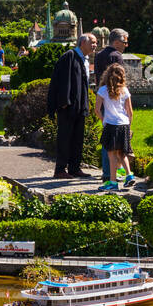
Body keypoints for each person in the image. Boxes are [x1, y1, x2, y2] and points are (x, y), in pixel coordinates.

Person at [47, 33, 94, 179]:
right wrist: (64, 103)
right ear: (82, 43)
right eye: (92, 42)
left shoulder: (84, 60)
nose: (95, 45)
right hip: (67, 107)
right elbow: (61, 80)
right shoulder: (70, 56)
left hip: (80, 107)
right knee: (65, 138)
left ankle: (75, 168)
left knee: (77, 139)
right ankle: (60, 170)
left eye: (96, 43)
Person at [93, 28, 128, 183]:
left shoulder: (99, 55)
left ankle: (107, 171)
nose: (126, 45)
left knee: (106, 136)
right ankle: (115, 172)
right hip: (116, 101)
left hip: (103, 98)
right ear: (116, 42)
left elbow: (97, 77)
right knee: (119, 139)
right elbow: (120, 79)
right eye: (125, 42)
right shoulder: (116, 56)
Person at [95, 62, 134, 189]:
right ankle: (129, 176)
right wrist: (129, 126)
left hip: (111, 125)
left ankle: (112, 182)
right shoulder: (125, 90)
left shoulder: (102, 90)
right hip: (124, 124)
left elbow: (97, 109)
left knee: (111, 155)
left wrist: (103, 120)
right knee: (122, 153)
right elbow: (130, 111)